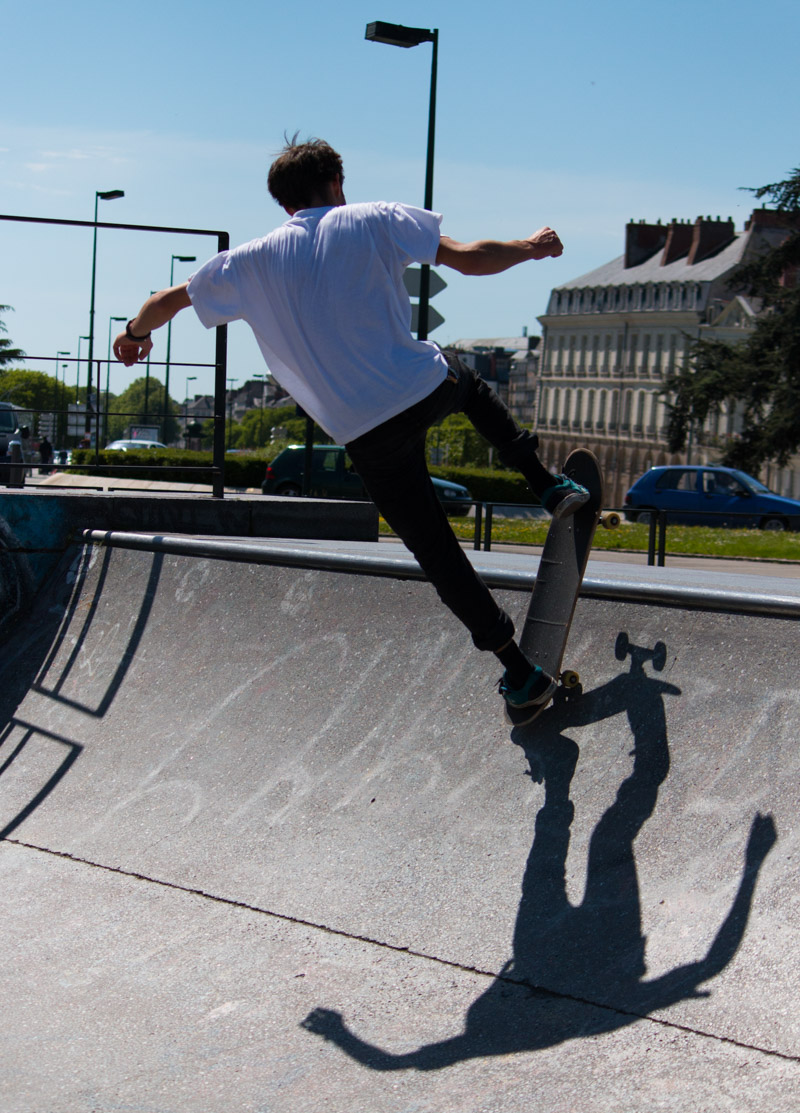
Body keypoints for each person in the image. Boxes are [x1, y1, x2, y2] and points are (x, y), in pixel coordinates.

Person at [114, 137, 588, 721]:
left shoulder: (248, 261)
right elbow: (467, 257)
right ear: (336, 183)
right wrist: (531, 247)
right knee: (467, 385)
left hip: (363, 434)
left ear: (283, 203)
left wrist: (135, 334)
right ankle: (545, 484)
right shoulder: (373, 218)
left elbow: (165, 300)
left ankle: (518, 671)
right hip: (421, 388)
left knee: (437, 554)